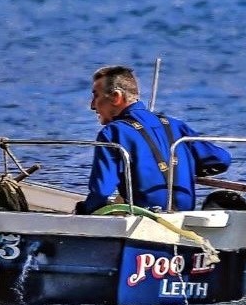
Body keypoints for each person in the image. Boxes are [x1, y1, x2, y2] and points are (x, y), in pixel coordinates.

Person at [74, 65, 231, 214]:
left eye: (96, 96)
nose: (92, 105)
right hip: (184, 218)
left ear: (116, 97)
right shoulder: (175, 125)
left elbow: (102, 190)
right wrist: (185, 166)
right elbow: (221, 159)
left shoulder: (113, 133)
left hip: (143, 222)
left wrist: (84, 210)